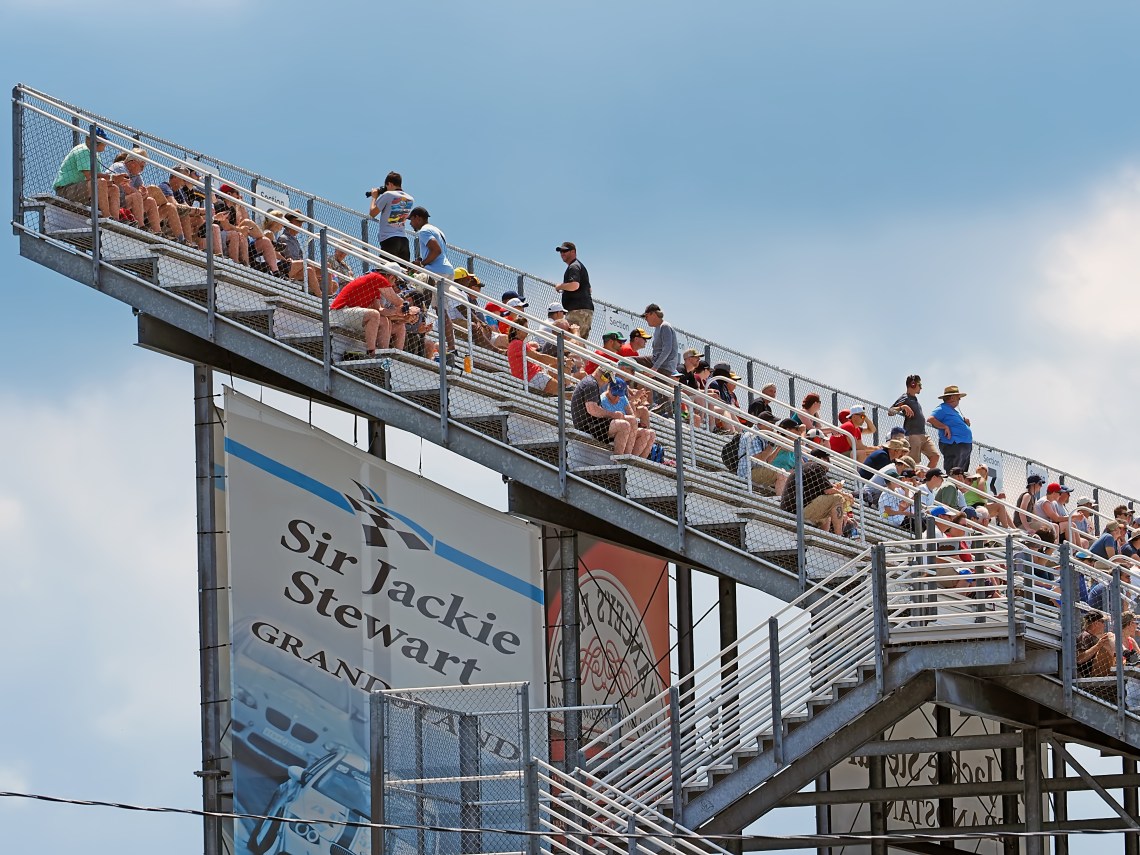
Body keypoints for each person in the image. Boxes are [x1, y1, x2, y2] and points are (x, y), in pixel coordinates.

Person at [571, 367, 655, 458]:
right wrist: (613, 414)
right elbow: (592, 410)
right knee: (624, 425)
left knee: (633, 421)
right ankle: (619, 460)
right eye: (608, 379)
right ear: (604, 377)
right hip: (588, 426)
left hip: (593, 424)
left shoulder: (591, 383)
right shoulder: (591, 384)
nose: (607, 382)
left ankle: (628, 458)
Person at [330, 269, 419, 356]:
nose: (394, 284)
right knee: (374, 315)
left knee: (383, 320)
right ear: (391, 277)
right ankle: (371, 353)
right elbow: (396, 300)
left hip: (346, 314)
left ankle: (383, 354)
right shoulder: (378, 278)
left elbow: (380, 310)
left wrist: (399, 313)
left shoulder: (375, 286)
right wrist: (409, 309)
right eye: (396, 280)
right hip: (338, 313)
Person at [779, 449, 853, 534]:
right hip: (796, 512)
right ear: (819, 459)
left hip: (793, 510)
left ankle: (824, 536)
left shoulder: (808, 467)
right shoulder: (816, 466)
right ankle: (839, 536)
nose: (828, 462)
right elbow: (828, 491)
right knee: (837, 498)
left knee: (830, 505)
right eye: (827, 459)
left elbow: (825, 488)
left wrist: (834, 487)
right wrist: (846, 495)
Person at [52, 127, 121, 219]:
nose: (106, 144)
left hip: (81, 189)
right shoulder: (83, 150)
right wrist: (112, 178)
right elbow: (90, 176)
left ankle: (115, 219)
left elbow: (98, 178)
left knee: (114, 188)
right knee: (101, 182)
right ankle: (107, 217)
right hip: (65, 190)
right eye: (104, 141)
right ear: (97, 142)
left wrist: (114, 180)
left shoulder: (95, 154)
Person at [889, 374, 940, 468]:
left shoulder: (915, 398)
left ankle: (926, 478)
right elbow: (890, 411)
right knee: (913, 464)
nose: (921, 388)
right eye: (919, 385)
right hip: (913, 435)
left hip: (923, 434)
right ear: (913, 384)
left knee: (935, 456)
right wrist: (902, 407)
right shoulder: (905, 397)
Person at [506, 321, 562, 396]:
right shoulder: (517, 343)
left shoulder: (518, 343)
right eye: (525, 328)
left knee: (560, 384)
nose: (527, 331)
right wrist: (561, 361)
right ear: (518, 330)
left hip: (531, 375)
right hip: (530, 376)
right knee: (558, 388)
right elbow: (539, 358)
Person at [368, 171, 414, 261]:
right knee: (402, 273)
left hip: (389, 239)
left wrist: (374, 197)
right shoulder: (410, 199)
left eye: (387, 186)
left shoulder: (388, 195)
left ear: (390, 184)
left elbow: (373, 213)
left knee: (384, 272)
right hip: (404, 240)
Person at [927, 385, 973, 473]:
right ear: (952, 398)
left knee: (961, 473)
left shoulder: (953, 411)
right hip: (954, 444)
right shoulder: (942, 408)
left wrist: (965, 424)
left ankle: (958, 486)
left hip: (964, 444)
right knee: (953, 471)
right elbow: (931, 419)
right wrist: (944, 427)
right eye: (958, 397)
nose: (960, 399)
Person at [555, 241, 594, 341]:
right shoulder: (579, 266)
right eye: (560, 251)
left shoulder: (574, 266)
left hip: (577, 311)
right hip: (586, 310)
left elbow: (574, 285)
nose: (562, 253)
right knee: (580, 341)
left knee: (570, 340)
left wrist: (560, 286)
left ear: (573, 252)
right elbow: (589, 289)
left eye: (565, 251)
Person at [409, 206, 455, 281]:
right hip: (448, 271)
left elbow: (436, 250)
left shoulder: (424, 231)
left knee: (415, 288)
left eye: (411, 219)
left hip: (436, 271)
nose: (410, 223)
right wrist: (420, 260)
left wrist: (421, 264)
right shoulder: (437, 230)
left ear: (417, 217)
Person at [642, 303, 679, 378]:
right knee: (628, 361)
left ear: (653, 314)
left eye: (646, 316)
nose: (645, 319)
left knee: (655, 388)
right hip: (656, 362)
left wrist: (655, 368)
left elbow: (667, 349)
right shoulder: (657, 328)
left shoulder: (665, 326)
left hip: (664, 367)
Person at [1076, 611, 1117, 678]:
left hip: (1098, 669)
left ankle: (1123, 660)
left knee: (1108, 637)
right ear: (1096, 623)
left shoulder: (1094, 637)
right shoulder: (1085, 636)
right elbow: (1080, 659)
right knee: (1109, 635)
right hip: (1090, 672)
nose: (1104, 625)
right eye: (1103, 622)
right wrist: (1098, 645)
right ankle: (1123, 659)